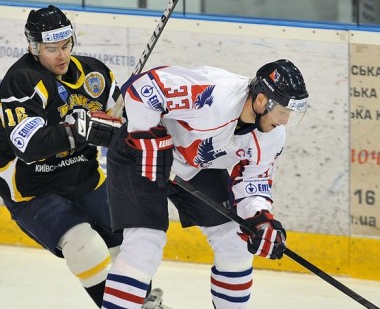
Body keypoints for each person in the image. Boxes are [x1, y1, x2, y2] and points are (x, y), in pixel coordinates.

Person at [102, 59, 309, 309]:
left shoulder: (272, 136)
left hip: (197, 165)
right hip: (142, 155)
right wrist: (148, 136)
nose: (285, 120)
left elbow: (253, 181)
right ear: (262, 100)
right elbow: (141, 88)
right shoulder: (213, 94)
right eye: (283, 111)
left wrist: (261, 220)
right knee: (145, 244)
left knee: (236, 242)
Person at [0, 5, 125, 308]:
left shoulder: (95, 74)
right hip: (30, 184)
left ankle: (140, 303)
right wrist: (82, 129)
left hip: (81, 172)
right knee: (83, 246)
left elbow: (123, 123)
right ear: (34, 47)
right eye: (52, 49)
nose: (61, 55)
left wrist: (127, 128)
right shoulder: (21, 81)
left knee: (128, 244)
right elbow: (31, 146)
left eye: (66, 45)